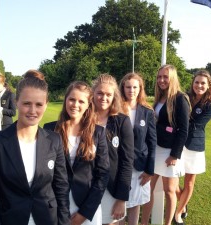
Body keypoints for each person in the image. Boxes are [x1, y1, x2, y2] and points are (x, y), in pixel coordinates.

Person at [0, 70, 70, 225]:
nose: (33, 111)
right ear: (17, 102)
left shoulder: (54, 140)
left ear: (46, 105)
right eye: (27, 103)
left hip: (47, 219)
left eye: (39, 104)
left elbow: (61, 188)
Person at [44, 81, 110, 225]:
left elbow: (103, 174)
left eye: (81, 101)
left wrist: (84, 213)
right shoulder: (49, 130)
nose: (75, 105)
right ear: (65, 100)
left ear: (88, 104)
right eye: (72, 99)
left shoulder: (98, 133)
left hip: (87, 204)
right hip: (57, 203)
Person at [141, 65, 190, 225]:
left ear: (173, 78)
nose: (161, 80)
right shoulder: (159, 98)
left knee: (170, 191)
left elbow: (183, 130)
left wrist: (175, 155)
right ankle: (144, 222)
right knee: (148, 189)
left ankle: (168, 223)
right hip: (156, 150)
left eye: (165, 77)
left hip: (170, 152)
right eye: (159, 77)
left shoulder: (180, 98)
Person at [174, 70, 211, 223]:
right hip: (178, 144)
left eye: (203, 83)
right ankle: (183, 204)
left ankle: (178, 213)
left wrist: (181, 124)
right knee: (172, 183)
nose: (199, 85)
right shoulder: (184, 98)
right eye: (197, 82)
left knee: (189, 182)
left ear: (208, 85)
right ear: (192, 83)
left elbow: (196, 125)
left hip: (194, 147)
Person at [92, 74, 134, 225]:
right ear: (93, 94)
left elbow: (127, 161)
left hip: (112, 188)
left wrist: (121, 198)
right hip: (87, 187)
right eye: (100, 93)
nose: (104, 98)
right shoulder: (84, 119)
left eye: (108, 94)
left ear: (114, 96)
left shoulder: (122, 121)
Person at [118, 72, 157, 225]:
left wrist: (149, 170)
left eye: (135, 87)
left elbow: (152, 142)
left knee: (135, 203)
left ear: (140, 88)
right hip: (120, 165)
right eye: (128, 87)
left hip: (140, 167)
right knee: (120, 204)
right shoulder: (116, 110)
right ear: (123, 88)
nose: (131, 90)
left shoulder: (147, 112)